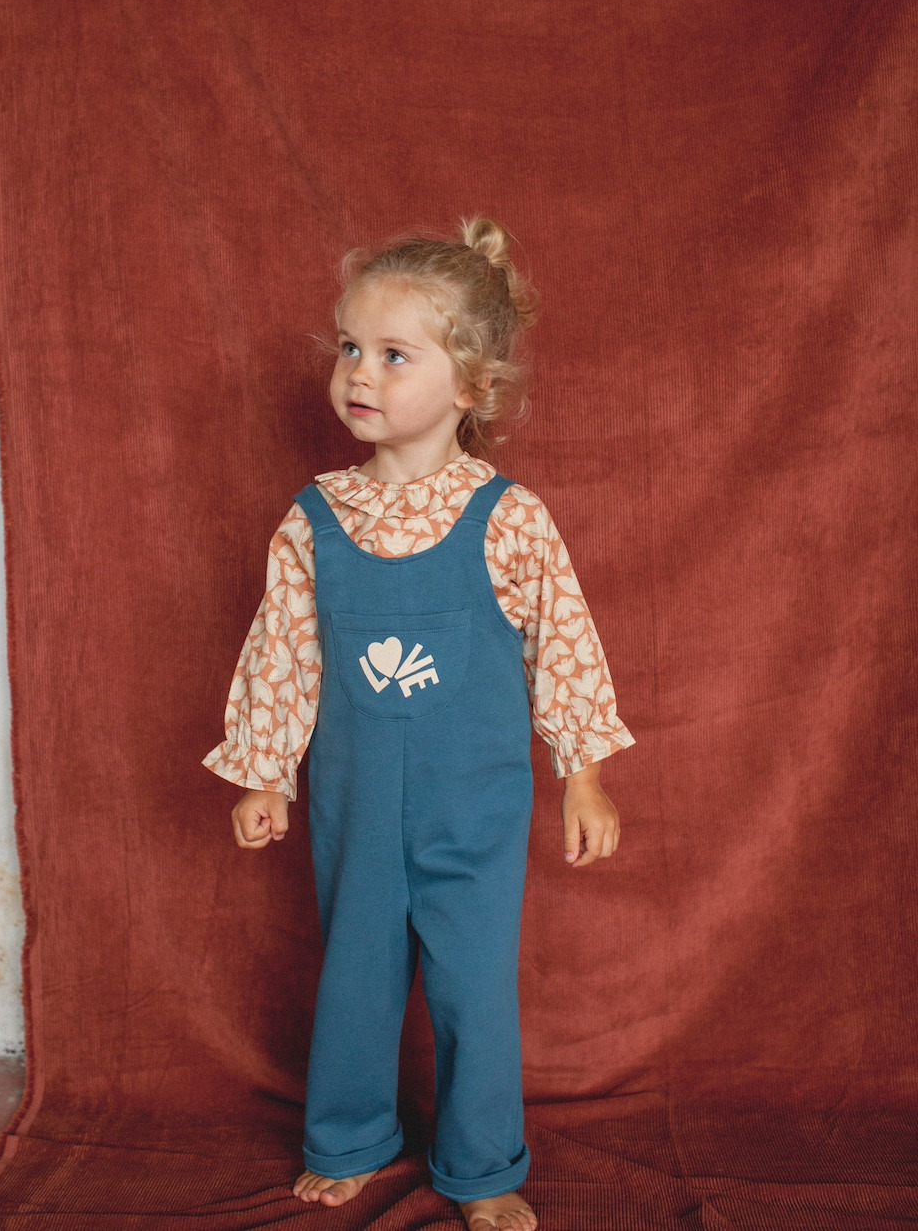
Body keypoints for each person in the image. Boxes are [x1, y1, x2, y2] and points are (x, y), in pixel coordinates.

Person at [203, 217, 636, 1231]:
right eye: (350, 347)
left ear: (471, 385)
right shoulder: (313, 519)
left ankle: (482, 1168)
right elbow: (282, 651)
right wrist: (265, 771)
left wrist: (582, 775)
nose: (360, 372)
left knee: (473, 989)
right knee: (356, 975)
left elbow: (563, 643)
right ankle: (347, 1138)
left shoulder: (508, 518)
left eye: (395, 355)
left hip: (474, 811)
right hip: (353, 808)